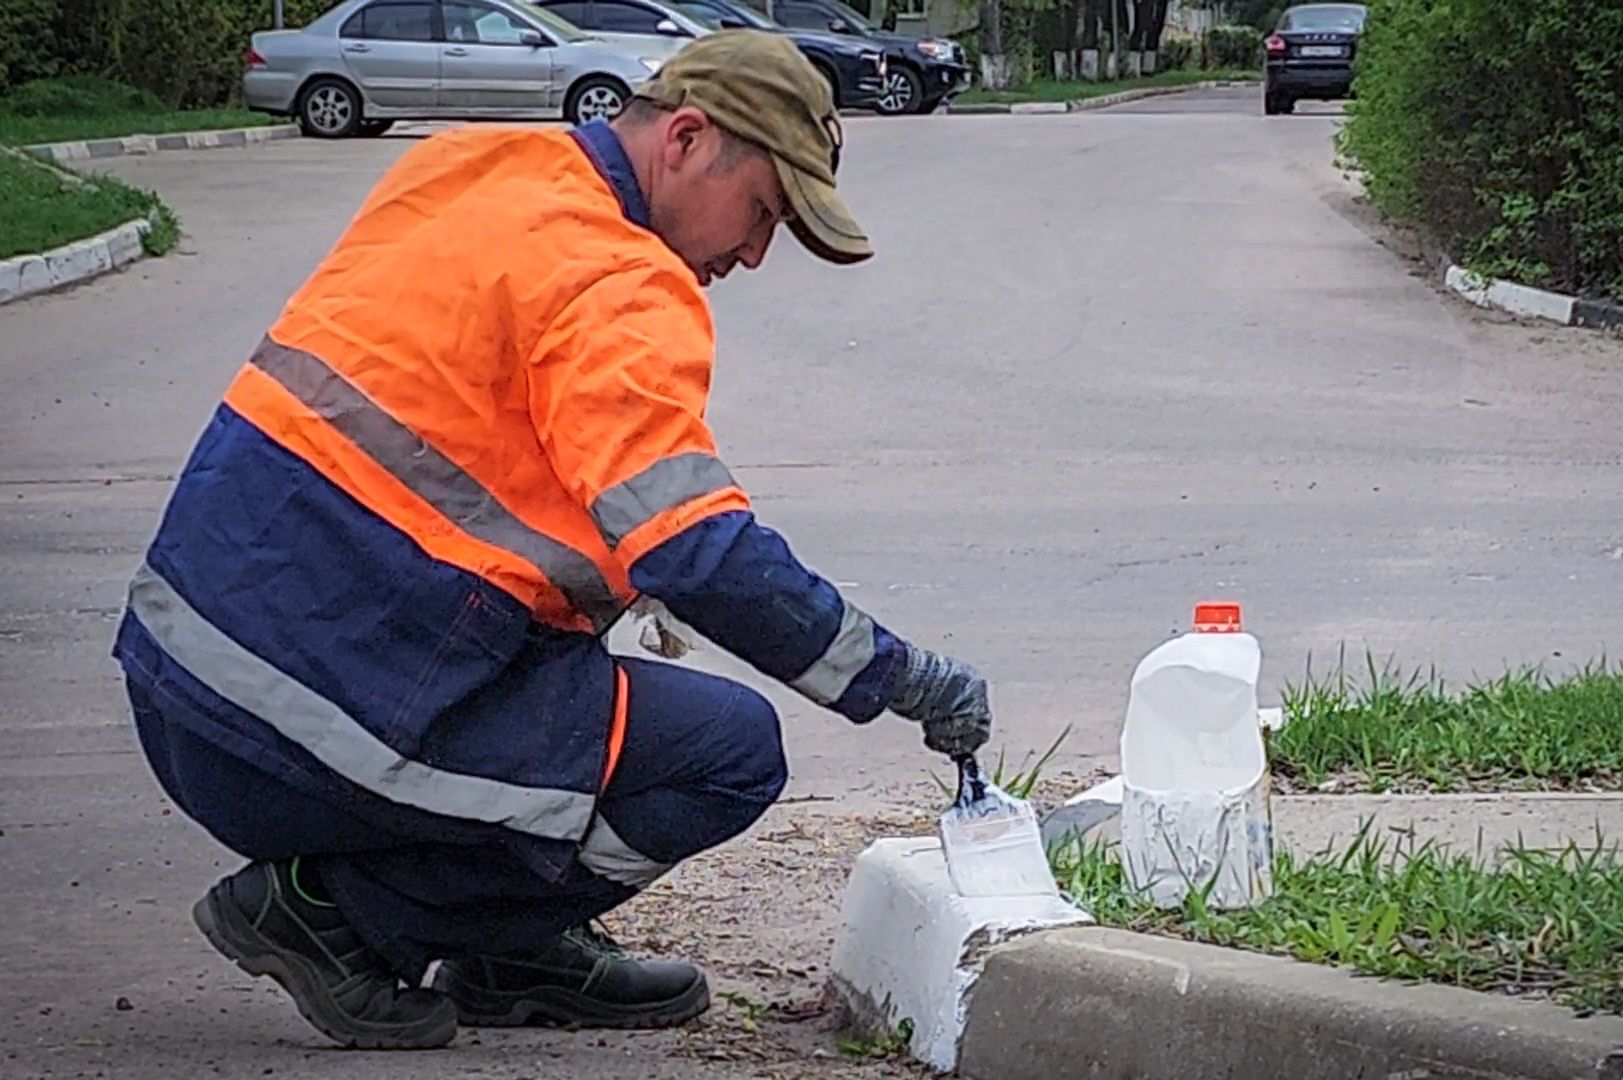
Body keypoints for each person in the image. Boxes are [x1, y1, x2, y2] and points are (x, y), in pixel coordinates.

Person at [111, 30, 991, 1050]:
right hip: (304, 733)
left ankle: (515, 946)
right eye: (762, 213)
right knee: (729, 754)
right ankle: (348, 918)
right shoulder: (624, 282)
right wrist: (902, 676)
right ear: (689, 140)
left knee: (579, 653)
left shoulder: (468, 164)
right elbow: (696, 552)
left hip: (182, 688)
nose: (753, 255)